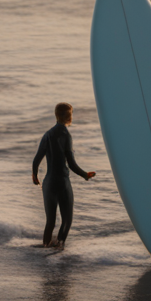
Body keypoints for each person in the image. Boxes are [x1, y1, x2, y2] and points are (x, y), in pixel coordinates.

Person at [32, 102, 96, 248]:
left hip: (48, 183)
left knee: (50, 222)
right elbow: (71, 164)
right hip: (62, 183)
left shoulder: (47, 134)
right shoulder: (66, 135)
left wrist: (35, 176)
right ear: (69, 117)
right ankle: (59, 251)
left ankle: (45, 251)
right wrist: (85, 175)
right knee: (67, 220)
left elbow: (36, 160)